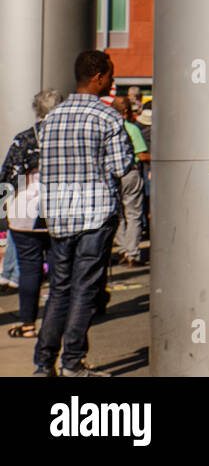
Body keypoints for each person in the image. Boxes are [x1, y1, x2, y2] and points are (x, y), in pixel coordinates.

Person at [33, 51, 133, 377]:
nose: (113, 82)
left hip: (59, 215)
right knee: (85, 290)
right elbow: (122, 167)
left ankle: (44, 363)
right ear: (98, 77)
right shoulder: (108, 118)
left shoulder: (52, 118)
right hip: (95, 213)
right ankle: (73, 363)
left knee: (59, 289)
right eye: (111, 76)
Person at [2, 90, 65, 338]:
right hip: (59, 210)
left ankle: (28, 324)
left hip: (23, 211)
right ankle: (54, 324)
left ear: (37, 110)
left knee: (29, 269)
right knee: (60, 270)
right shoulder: (66, 138)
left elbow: (8, 176)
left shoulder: (25, 138)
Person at [110, 96, 147, 267]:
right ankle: (132, 253)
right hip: (130, 173)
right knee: (133, 213)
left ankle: (123, 249)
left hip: (111, 174)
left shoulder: (106, 127)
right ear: (126, 111)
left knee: (118, 214)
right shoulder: (131, 128)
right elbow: (141, 154)